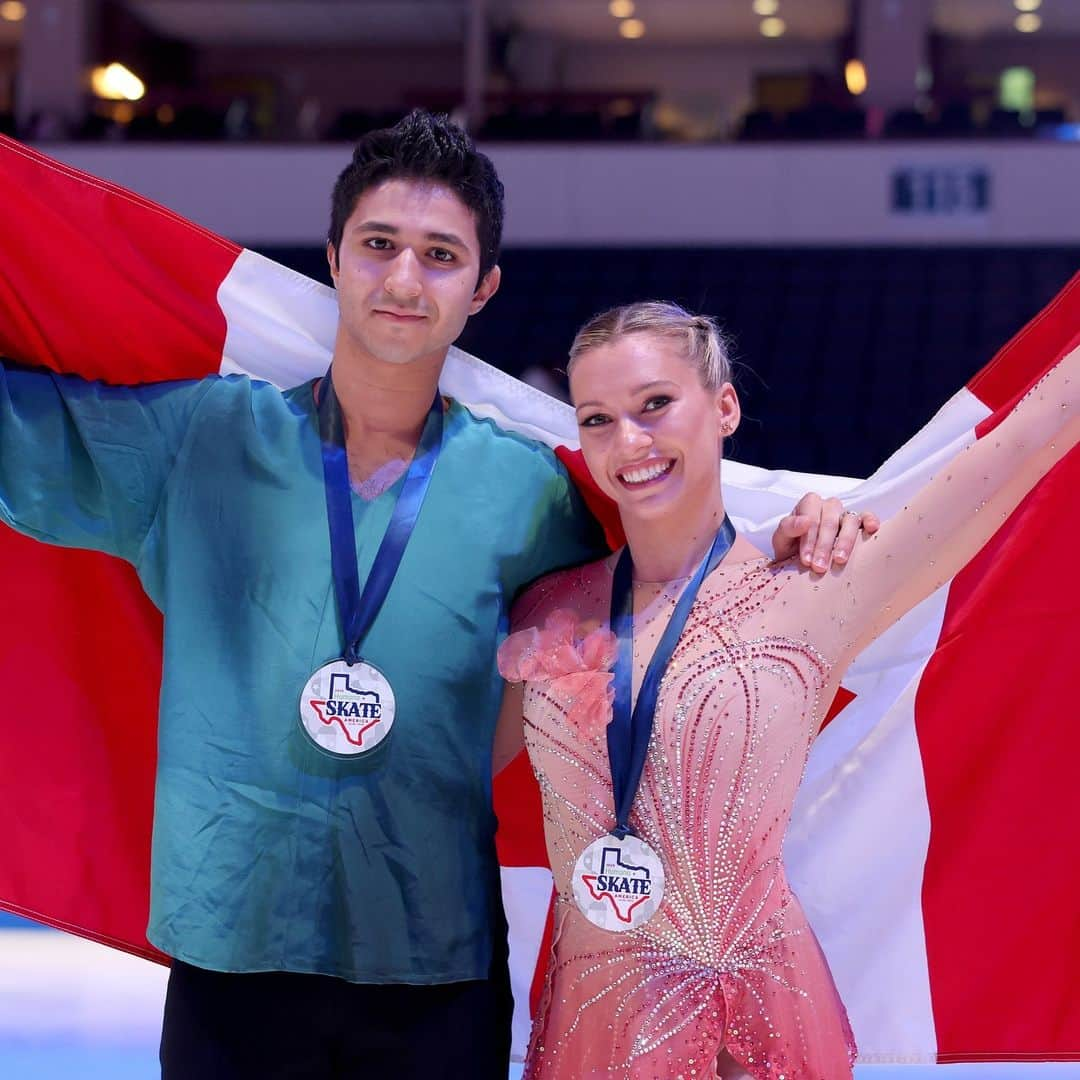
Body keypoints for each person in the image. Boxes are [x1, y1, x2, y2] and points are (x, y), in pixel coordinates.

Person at [0, 114, 868, 1079]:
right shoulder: (200, 440)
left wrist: (793, 530)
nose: (405, 280)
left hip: (434, 976)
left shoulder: (527, 493)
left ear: (481, 288)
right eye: (379, 245)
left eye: (441, 255)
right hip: (229, 959)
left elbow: (663, 592)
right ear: (333, 258)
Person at [495, 300, 1080, 1080]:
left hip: (761, 1032)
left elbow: (1031, 436)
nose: (628, 441)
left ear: (725, 406)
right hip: (591, 1033)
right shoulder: (546, 608)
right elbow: (444, 767)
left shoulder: (816, 589)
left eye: (656, 404)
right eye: (597, 419)